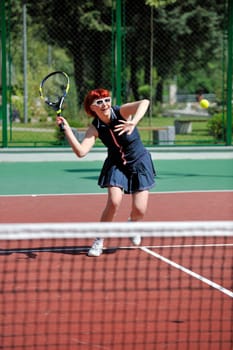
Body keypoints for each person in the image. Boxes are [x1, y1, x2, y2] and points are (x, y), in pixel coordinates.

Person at [56, 88, 156, 257]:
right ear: (92, 107)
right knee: (114, 201)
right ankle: (99, 240)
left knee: (139, 209)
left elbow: (145, 102)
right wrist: (67, 130)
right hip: (116, 164)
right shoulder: (95, 127)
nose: (104, 104)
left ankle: (133, 223)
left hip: (139, 162)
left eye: (107, 100)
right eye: (99, 102)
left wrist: (134, 122)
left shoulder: (121, 112)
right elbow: (81, 152)